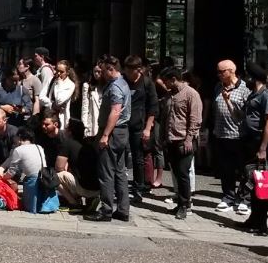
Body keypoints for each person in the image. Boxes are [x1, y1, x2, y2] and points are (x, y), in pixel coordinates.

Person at [85, 56, 131, 222]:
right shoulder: (123, 83)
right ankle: (123, 210)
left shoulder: (115, 87)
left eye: (103, 71)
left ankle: (106, 210)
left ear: (111, 69)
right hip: (121, 133)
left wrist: (105, 135)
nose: (101, 74)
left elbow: (115, 111)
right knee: (120, 172)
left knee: (106, 172)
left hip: (112, 133)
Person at [236, 62, 268, 235]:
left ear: (254, 78)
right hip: (248, 141)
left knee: (262, 183)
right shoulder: (252, 94)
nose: (244, 79)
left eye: (247, 76)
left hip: (259, 142)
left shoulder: (266, 96)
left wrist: (263, 148)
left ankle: (262, 222)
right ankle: (254, 217)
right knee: (251, 182)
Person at [206, 59, 250, 212]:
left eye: (222, 71)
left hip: (239, 135)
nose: (219, 75)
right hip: (220, 134)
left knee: (243, 169)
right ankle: (228, 197)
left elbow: (246, 114)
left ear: (232, 71)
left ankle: (244, 198)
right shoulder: (218, 87)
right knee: (226, 169)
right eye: (217, 72)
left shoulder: (245, 88)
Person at [159, 67, 201, 219]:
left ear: (173, 79)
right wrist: (162, 138)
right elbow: (165, 118)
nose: (165, 85)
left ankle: (185, 204)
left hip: (184, 141)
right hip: (171, 140)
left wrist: (189, 139)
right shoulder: (169, 96)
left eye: (166, 81)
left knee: (183, 173)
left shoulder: (191, 94)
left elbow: (195, 120)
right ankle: (180, 202)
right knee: (176, 173)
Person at [123, 56, 158, 203]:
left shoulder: (147, 83)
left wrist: (148, 128)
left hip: (139, 124)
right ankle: (121, 186)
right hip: (124, 123)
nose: (127, 73)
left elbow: (153, 106)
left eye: (130, 70)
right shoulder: (123, 81)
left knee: (138, 158)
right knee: (122, 155)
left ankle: (138, 187)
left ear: (137, 70)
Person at [48, 60, 77, 130]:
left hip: (61, 118)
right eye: (57, 70)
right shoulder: (53, 81)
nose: (58, 73)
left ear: (67, 73)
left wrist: (60, 83)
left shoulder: (70, 85)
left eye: (61, 72)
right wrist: (51, 104)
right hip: (50, 115)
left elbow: (59, 101)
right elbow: (43, 97)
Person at [79, 62, 103, 135]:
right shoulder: (87, 86)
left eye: (99, 72)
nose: (96, 74)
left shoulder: (108, 86)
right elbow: (85, 107)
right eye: (94, 71)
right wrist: (84, 125)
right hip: (92, 123)